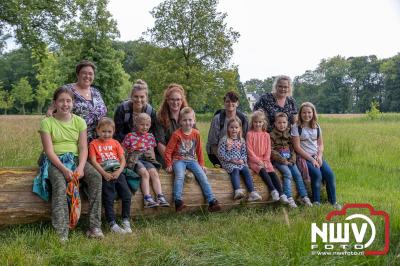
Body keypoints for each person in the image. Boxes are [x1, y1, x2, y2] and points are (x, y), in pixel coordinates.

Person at [39, 87, 103, 241]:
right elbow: (48, 151)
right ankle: (62, 232)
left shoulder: (79, 122)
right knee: (60, 185)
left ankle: (94, 226)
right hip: (56, 160)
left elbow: (82, 148)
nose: (65, 104)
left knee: (95, 177)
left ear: (73, 103)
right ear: (55, 103)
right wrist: (64, 169)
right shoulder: (47, 123)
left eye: (68, 101)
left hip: (75, 159)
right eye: (61, 100)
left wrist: (81, 167)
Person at [165, 107, 221, 212]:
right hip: (178, 160)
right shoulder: (176, 134)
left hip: (192, 160)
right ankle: (178, 201)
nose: (187, 122)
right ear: (180, 121)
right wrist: (169, 164)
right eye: (185, 120)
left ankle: (212, 201)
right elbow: (168, 151)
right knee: (180, 176)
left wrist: (202, 164)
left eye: (190, 120)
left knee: (203, 177)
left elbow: (199, 150)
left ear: (194, 120)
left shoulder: (196, 133)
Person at [291, 102, 340, 209]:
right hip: (303, 157)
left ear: (313, 113)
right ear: (300, 114)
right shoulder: (296, 127)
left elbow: (320, 144)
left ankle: (333, 202)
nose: (307, 115)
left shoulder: (316, 126)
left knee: (330, 175)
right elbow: (297, 148)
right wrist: (311, 160)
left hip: (316, 155)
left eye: (309, 112)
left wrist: (320, 155)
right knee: (317, 175)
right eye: (304, 112)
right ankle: (316, 202)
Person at [88, 117, 132, 234]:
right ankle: (112, 223)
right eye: (103, 131)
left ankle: (125, 219)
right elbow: (93, 161)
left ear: (113, 131)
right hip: (105, 175)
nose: (106, 134)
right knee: (108, 198)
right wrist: (104, 173)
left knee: (127, 194)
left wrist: (119, 172)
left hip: (118, 173)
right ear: (97, 131)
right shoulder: (94, 144)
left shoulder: (116, 143)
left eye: (109, 132)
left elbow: (122, 160)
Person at [46, 60, 107, 143]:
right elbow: (53, 108)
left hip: (98, 141)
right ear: (78, 74)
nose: (87, 76)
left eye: (90, 74)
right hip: (74, 139)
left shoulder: (96, 92)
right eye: (84, 73)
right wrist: (50, 112)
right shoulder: (67, 89)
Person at [122, 113, 170, 208]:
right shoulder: (130, 136)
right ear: (136, 124)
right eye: (142, 124)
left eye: (147, 125)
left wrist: (153, 163)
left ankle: (160, 196)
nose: (145, 127)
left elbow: (151, 151)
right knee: (144, 173)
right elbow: (123, 150)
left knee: (154, 173)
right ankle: (147, 198)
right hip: (134, 159)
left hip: (147, 159)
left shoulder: (150, 137)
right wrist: (123, 163)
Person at [270, 112, 312, 208]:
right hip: (279, 160)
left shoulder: (289, 134)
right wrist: (283, 160)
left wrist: (292, 160)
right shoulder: (271, 135)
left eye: (284, 123)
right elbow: (271, 151)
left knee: (297, 174)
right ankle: (288, 197)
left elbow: (293, 149)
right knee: (287, 174)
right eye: (279, 123)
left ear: (287, 123)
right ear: (275, 124)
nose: (282, 125)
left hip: (290, 159)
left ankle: (304, 196)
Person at [246, 110, 289, 204]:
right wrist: (258, 161)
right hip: (254, 160)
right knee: (263, 170)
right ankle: (273, 190)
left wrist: (265, 160)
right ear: (252, 122)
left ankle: (282, 194)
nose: (258, 124)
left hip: (265, 160)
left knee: (272, 172)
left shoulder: (266, 135)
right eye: (255, 122)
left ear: (263, 122)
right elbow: (249, 151)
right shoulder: (250, 134)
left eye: (260, 122)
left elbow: (268, 150)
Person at [218, 117, 262, 201]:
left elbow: (244, 153)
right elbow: (221, 154)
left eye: (236, 127)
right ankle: (237, 190)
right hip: (228, 162)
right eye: (231, 127)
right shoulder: (224, 140)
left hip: (240, 162)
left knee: (246, 170)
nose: (234, 129)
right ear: (228, 128)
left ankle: (252, 192)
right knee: (235, 170)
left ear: (239, 129)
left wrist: (242, 160)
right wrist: (231, 159)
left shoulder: (241, 140)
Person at [207, 91, 249, 167]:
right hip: (217, 154)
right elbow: (213, 143)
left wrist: (241, 159)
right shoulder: (218, 119)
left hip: (236, 154)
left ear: (237, 103)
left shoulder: (243, 118)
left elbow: (245, 140)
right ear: (224, 103)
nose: (230, 104)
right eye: (227, 101)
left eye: (233, 101)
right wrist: (225, 161)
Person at [155, 83, 189, 164]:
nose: (175, 102)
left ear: (182, 100)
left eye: (178, 99)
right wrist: (172, 162)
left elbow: (194, 138)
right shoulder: (160, 118)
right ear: (167, 100)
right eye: (172, 99)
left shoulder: (188, 116)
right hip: (166, 160)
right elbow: (160, 144)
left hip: (185, 158)